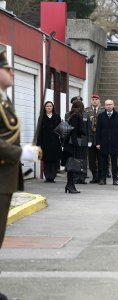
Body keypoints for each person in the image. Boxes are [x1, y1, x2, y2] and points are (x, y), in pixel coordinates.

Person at [0, 46, 40, 254]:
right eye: (7, 69)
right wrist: (21, 153)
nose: (12, 72)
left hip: (6, 178)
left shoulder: (5, 101)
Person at [96, 99, 118, 185]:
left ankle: (115, 179)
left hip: (115, 142)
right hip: (103, 142)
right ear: (104, 106)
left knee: (114, 163)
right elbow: (98, 131)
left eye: (110, 104)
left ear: (113, 105)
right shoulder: (100, 116)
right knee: (103, 162)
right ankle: (103, 179)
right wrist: (98, 143)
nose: (109, 106)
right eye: (107, 104)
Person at [66, 96, 92, 184]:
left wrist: (89, 140)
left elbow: (89, 128)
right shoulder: (69, 114)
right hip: (73, 140)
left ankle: (82, 176)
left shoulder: (85, 114)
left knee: (83, 159)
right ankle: (75, 177)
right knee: (74, 159)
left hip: (83, 140)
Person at [62, 100, 85, 193]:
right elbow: (74, 132)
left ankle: (70, 185)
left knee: (71, 165)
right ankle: (70, 185)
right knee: (72, 165)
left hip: (69, 144)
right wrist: (76, 145)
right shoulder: (76, 116)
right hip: (73, 144)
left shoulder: (71, 115)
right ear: (80, 107)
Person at [37, 101, 62, 183]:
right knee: (46, 160)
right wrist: (38, 144)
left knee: (54, 160)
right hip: (45, 142)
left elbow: (61, 130)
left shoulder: (57, 117)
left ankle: (52, 176)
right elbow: (39, 131)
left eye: (50, 106)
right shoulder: (42, 117)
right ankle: (47, 177)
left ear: (52, 107)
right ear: (45, 108)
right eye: (47, 106)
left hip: (55, 142)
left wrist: (62, 141)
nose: (49, 107)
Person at [85, 94, 103, 183]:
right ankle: (94, 176)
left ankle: (100, 177)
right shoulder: (86, 111)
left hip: (100, 138)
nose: (94, 101)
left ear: (99, 101)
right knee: (91, 160)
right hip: (90, 138)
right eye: (93, 99)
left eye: (96, 99)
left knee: (100, 159)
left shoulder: (102, 111)